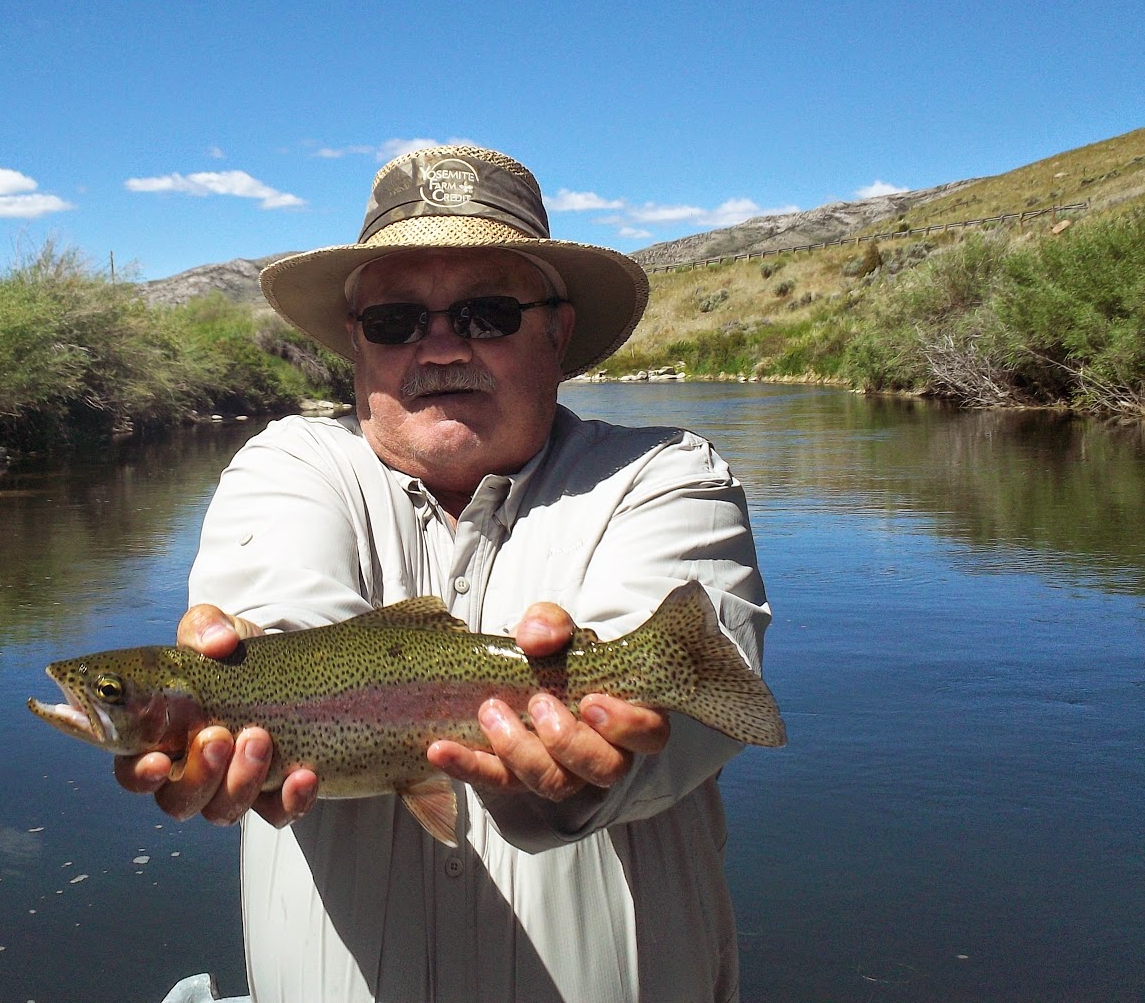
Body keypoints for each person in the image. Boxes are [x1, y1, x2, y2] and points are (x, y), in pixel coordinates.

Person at [117, 145, 773, 1003]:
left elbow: (685, 719)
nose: (437, 348)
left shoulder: (666, 474)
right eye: (395, 322)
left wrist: (598, 763)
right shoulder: (287, 463)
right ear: (357, 341)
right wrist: (240, 725)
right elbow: (280, 628)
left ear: (558, 330)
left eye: (487, 313)